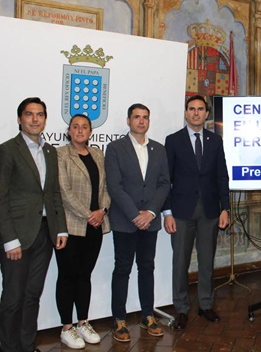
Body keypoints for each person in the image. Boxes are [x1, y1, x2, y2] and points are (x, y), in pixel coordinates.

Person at [0, 97, 68, 352]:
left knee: (32, 296)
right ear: (20, 119)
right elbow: (1, 198)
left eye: (39, 114)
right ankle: (8, 347)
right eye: (29, 114)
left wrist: (60, 228)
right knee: (13, 298)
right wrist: (9, 239)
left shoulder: (50, 151)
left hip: (44, 233)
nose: (35, 119)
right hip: (17, 236)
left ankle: (27, 345)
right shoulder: (7, 150)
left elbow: (53, 194)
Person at [163, 95, 230, 330]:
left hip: (210, 211)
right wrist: (167, 212)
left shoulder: (215, 141)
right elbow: (166, 180)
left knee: (206, 261)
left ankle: (205, 304)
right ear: (185, 113)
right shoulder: (173, 141)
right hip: (180, 212)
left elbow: (222, 176)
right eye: (191, 109)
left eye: (201, 109)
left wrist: (226, 208)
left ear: (206, 114)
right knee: (180, 262)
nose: (196, 113)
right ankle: (181, 309)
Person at [105, 103, 170, 342]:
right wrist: (135, 215)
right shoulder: (115, 148)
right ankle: (119, 319)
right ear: (128, 120)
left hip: (150, 222)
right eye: (136, 117)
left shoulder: (159, 150)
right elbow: (114, 186)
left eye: (145, 117)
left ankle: (147, 316)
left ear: (149, 121)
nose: (141, 121)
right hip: (125, 221)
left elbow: (164, 184)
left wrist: (151, 213)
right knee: (122, 269)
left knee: (147, 268)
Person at [55, 114, 111, 349]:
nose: (80, 130)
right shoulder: (60, 155)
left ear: (90, 132)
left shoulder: (98, 154)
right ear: (69, 131)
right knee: (67, 276)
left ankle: (83, 322)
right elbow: (64, 191)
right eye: (75, 127)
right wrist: (89, 214)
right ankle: (67, 327)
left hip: (96, 226)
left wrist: (102, 210)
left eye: (84, 127)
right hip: (71, 226)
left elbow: (106, 188)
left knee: (84, 275)